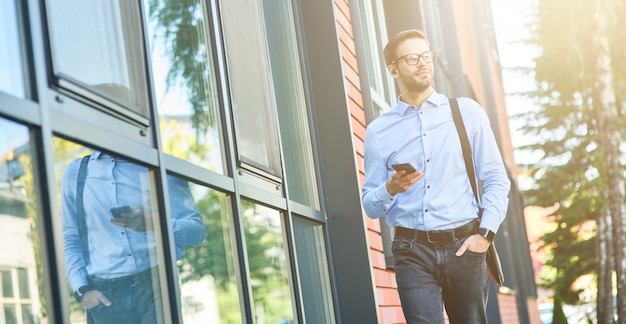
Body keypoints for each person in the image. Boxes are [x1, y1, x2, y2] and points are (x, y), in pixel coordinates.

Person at [361, 30, 511, 323]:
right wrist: (390, 188)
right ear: (393, 70)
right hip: (412, 251)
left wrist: (485, 234)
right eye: (412, 58)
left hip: (465, 245)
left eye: (426, 56)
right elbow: (370, 205)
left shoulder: (467, 113)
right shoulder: (379, 132)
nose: (423, 63)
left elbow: (496, 177)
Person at [61, 150, 206, 324]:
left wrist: (154, 223)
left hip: (157, 285)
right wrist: (81, 290)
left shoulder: (160, 166)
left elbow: (197, 231)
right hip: (105, 298)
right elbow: (71, 238)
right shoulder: (76, 173)